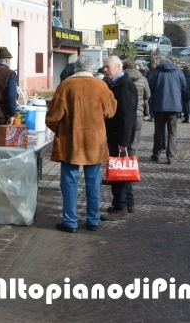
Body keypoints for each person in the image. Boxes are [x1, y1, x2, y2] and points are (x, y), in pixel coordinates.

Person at [47, 56, 117, 233]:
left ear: (76, 68)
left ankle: (70, 222)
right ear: (92, 68)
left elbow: (53, 117)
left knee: (69, 182)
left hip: (71, 141)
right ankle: (93, 220)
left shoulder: (66, 86)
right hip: (94, 140)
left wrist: (61, 131)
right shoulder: (101, 86)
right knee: (93, 182)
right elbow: (110, 111)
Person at [101, 56, 138, 221]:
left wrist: (123, 141)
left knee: (118, 171)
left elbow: (127, 116)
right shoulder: (116, 83)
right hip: (116, 134)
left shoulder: (124, 86)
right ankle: (128, 203)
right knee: (124, 169)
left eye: (108, 67)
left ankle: (119, 206)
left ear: (118, 67)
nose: (105, 69)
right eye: (104, 67)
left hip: (119, 136)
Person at [149, 58, 186, 165]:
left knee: (159, 131)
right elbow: (184, 87)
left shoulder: (156, 72)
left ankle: (156, 154)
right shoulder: (178, 72)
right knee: (172, 132)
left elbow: (151, 87)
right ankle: (171, 156)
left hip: (159, 105)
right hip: (174, 105)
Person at [123, 59, 150, 148]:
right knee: (136, 137)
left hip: (123, 112)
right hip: (138, 112)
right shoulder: (143, 79)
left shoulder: (121, 79)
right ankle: (132, 157)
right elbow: (148, 95)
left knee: (123, 138)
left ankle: (123, 158)